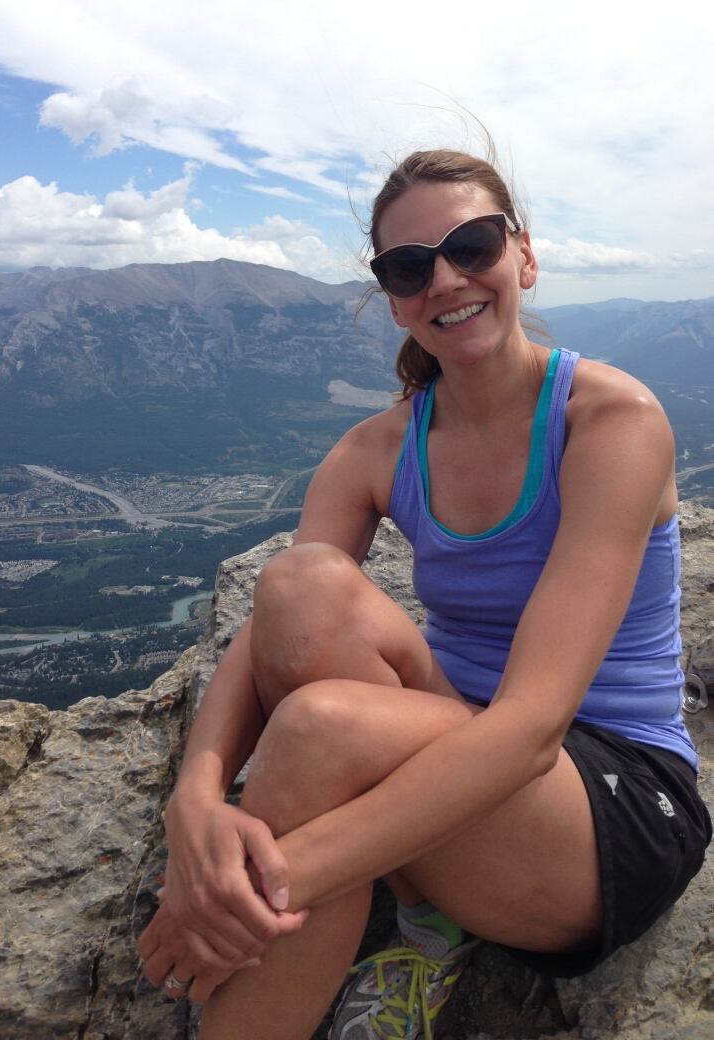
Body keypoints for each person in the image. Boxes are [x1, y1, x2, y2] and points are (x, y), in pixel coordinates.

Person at [137, 149, 712, 1040]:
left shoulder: (611, 423)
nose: (445, 279)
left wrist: (240, 893)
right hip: (454, 747)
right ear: (394, 297)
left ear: (523, 256)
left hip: (606, 804)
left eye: (470, 245)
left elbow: (529, 732)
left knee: (320, 732)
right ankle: (426, 912)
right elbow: (267, 639)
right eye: (410, 267)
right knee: (298, 584)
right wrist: (196, 804)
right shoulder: (375, 450)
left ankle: (387, 937)